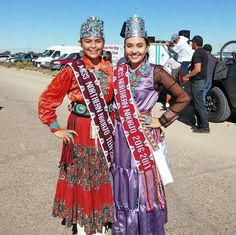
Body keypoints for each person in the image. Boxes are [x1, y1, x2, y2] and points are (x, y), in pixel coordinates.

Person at [112, 15, 191, 235]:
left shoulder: (156, 71)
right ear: (124, 47)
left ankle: (146, 228)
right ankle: (125, 227)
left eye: (139, 45)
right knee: (124, 180)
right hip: (121, 136)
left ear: (147, 46)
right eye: (129, 46)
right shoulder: (119, 70)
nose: (134, 50)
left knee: (144, 185)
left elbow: (183, 97)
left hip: (144, 136)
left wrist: (161, 120)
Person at [38, 16, 114, 235]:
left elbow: (115, 100)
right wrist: (55, 127)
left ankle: (99, 219)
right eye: (88, 41)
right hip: (79, 128)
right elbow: (48, 98)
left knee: (100, 173)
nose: (93, 45)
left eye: (97, 41)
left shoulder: (110, 67)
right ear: (80, 42)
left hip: (103, 129)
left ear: (103, 41)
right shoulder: (72, 69)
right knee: (82, 175)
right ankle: (82, 224)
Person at [182, 35, 209, 133]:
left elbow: (197, 69)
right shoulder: (204, 53)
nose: (191, 44)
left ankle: (205, 127)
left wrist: (187, 76)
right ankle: (201, 125)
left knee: (199, 105)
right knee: (199, 103)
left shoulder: (197, 53)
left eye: (191, 42)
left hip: (197, 81)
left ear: (195, 42)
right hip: (202, 80)